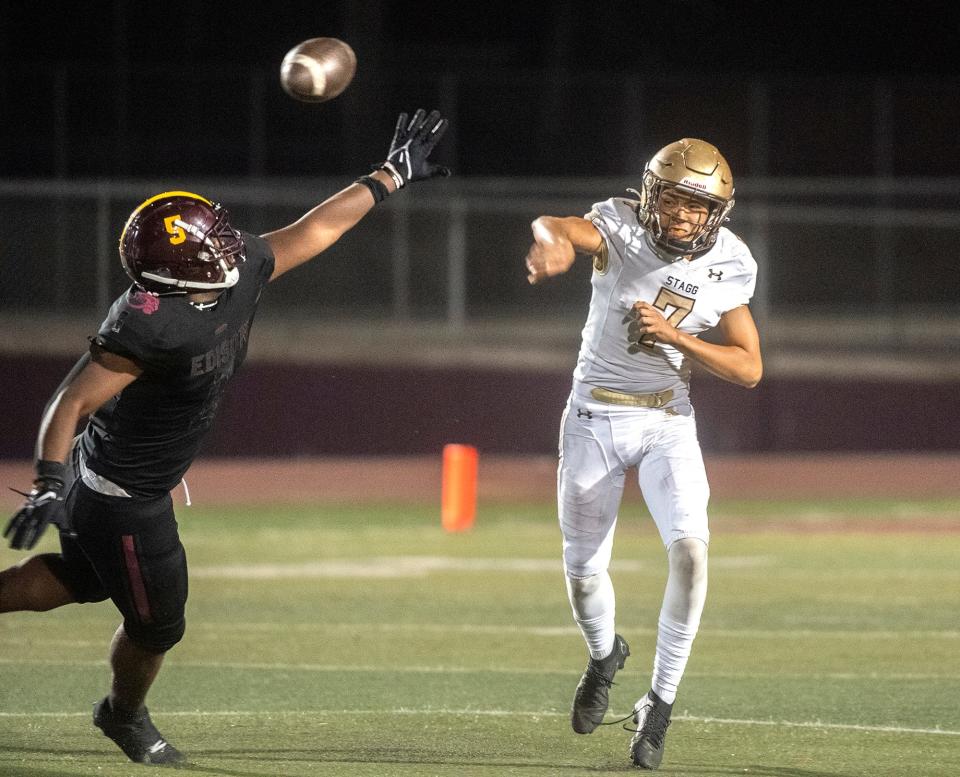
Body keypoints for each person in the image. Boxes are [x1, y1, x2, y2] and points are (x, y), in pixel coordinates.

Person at [0, 109, 449, 766]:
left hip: (112, 478)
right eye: (213, 250)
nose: (231, 248)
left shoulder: (228, 277)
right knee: (158, 623)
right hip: (125, 496)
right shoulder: (148, 324)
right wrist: (47, 480)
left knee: (81, 579)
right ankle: (122, 713)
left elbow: (313, 229)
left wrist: (390, 174)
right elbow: (72, 398)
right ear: (178, 279)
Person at [524, 138, 762, 770]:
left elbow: (749, 367)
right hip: (594, 415)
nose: (681, 215)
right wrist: (550, 241)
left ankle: (659, 702)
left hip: (667, 418)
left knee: (690, 553)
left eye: (695, 204)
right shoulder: (622, 227)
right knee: (582, 571)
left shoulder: (732, 262)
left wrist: (678, 337)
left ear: (717, 210)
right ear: (651, 196)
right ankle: (605, 655)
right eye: (672, 200)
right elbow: (563, 227)